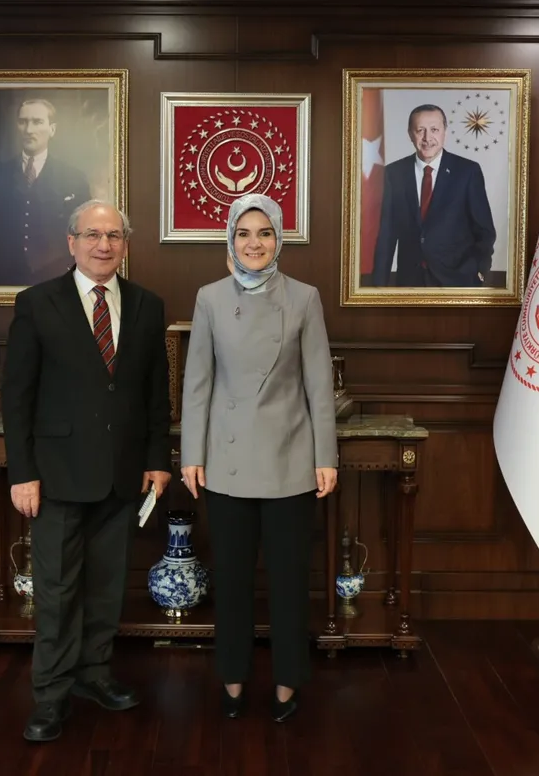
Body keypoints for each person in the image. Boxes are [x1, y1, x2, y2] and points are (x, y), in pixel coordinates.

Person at [1, 199, 173, 742]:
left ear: (126, 244)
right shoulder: (37, 304)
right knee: (55, 590)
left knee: (106, 586)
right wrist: (21, 472)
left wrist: (156, 461)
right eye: (93, 234)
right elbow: (17, 396)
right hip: (54, 476)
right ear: (71, 241)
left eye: (115, 236)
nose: (104, 245)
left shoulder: (147, 305)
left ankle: (93, 675)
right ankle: (50, 695)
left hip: (122, 476)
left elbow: (154, 394)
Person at [179, 193, 338, 723]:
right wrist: (191, 454)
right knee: (232, 580)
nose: (254, 243)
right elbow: (197, 383)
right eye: (244, 233)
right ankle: (232, 678)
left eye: (264, 233)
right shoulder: (209, 298)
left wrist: (326, 455)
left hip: (291, 457)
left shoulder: (305, 298)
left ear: (278, 240)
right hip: (224, 464)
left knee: (290, 583)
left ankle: (288, 682)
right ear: (230, 239)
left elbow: (318, 382)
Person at [0, 98, 93, 288]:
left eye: (37, 122)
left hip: (56, 279)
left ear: (52, 129)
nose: (29, 129)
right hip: (3, 279)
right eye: (23, 122)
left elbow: (86, 235)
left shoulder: (74, 177)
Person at [369, 103, 497, 287]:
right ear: (410, 134)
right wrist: (378, 288)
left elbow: (485, 231)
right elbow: (387, 235)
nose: (427, 138)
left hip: (458, 281)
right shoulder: (393, 173)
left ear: (445, 131)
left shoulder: (468, 172)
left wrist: (479, 272)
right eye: (420, 130)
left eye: (434, 129)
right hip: (409, 282)